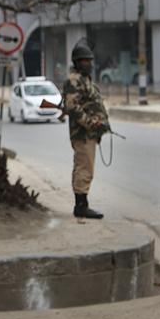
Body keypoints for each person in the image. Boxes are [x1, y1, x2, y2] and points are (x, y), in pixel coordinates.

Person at [62, 43, 110, 219]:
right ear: (77, 62)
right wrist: (91, 124)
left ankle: (82, 204)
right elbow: (72, 107)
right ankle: (81, 206)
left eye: (90, 60)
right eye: (85, 61)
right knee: (84, 168)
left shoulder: (86, 80)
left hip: (90, 134)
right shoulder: (74, 81)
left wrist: (100, 127)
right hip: (82, 133)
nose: (89, 63)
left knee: (85, 167)